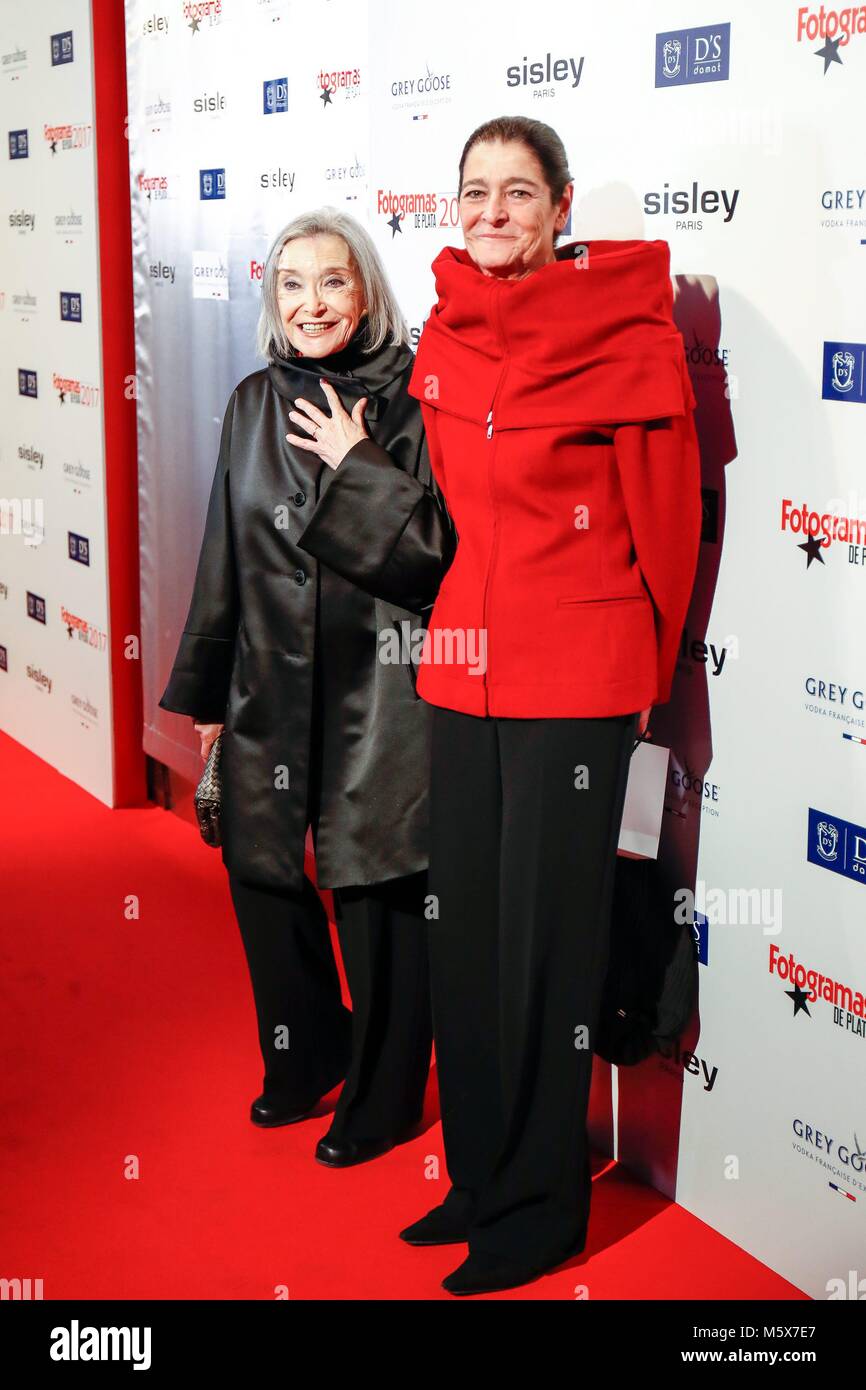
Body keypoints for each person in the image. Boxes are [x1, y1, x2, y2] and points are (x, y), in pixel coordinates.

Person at [297, 117, 702, 1292]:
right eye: (472, 191)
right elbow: (433, 519)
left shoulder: (627, 332)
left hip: (574, 680)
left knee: (541, 953)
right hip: (459, 675)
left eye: (515, 193)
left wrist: (646, 676)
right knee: (463, 937)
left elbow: (664, 525)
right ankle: (477, 1177)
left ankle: (538, 1205)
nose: (488, 211)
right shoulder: (449, 328)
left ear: (560, 206)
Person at [158, 209, 456, 1167]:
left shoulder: (414, 399)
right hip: (269, 679)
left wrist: (354, 461)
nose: (312, 303)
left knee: (375, 892)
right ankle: (303, 1054)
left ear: (365, 291)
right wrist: (207, 696)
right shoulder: (253, 399)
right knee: (263, 871)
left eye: (333, 282)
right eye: (292, 284)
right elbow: (222, 549)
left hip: (384, 689)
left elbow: (428, 560)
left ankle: (381, 1096)